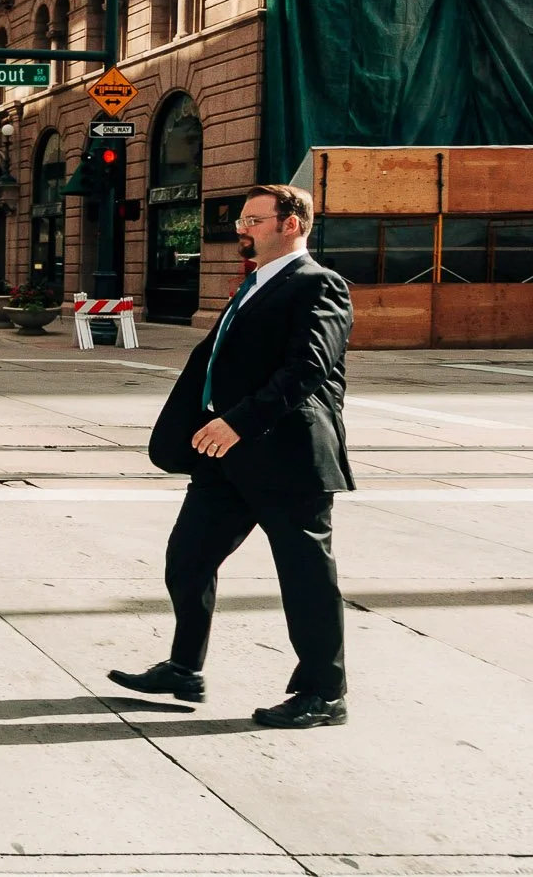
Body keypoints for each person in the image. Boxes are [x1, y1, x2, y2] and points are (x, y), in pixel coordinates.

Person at [112, 182, 355, 730]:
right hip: (224, 459)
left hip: (288, 458)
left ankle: (324, 692)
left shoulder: (319, 283)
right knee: (187, 561)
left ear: (291, 224)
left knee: (305, 578)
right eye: (242, 220)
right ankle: (184, 668)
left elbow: (308, 369)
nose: (242, 229)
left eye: (253, 220)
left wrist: (238, 421)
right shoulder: (253, 284)